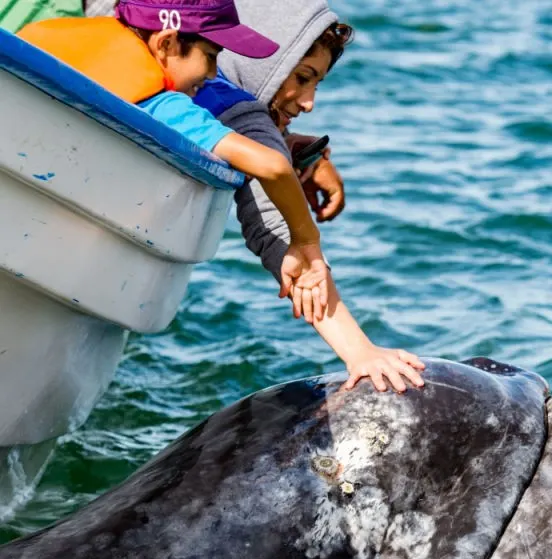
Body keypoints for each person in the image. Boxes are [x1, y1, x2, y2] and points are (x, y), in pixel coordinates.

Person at [18, 0, 331, 323]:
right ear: (167, 43)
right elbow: (274, 166)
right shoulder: (164, 106)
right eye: (210, 56)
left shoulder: (43, 39)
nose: (212, 74)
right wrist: (306, 238)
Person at [190, 0, 426, 394]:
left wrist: (301, 151)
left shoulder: (166, 58)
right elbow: (284, 236)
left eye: (316, 83)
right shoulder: (243, 114)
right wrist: (359, 352)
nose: (308, 102)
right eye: (301, 77)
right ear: (262, 61)